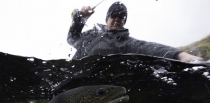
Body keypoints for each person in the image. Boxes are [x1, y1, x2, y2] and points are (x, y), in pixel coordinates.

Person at [67, 1, 204, 62]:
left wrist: (179, 55)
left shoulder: (126, 42)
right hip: (73, 78)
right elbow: (72, 39)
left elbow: (149, 47)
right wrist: (81, 18)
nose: (117, 19)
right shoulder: (91, 34)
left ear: (124, 21)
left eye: (121, 17)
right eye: (114, 15)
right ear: (107, 18)